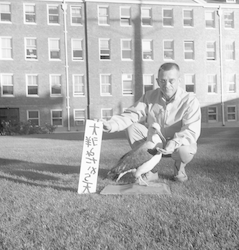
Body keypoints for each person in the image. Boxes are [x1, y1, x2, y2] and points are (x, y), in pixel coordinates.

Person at [102, 62, 201, 182]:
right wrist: (111, 124)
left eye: (171, 81)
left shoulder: (190, 101)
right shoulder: (149, 97)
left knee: (184, 150)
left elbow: (191, 130)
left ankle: (179, 170)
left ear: (179, 81)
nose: (167, 85)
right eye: (163, 81)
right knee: (132, 128)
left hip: (176, 144)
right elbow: (131, 115)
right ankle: (147, 170)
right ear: (158, 81)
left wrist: (174, 143)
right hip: (154, 143)